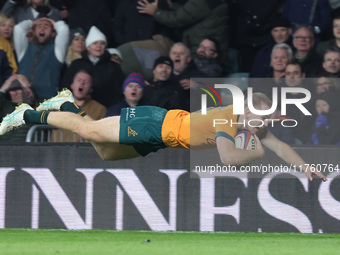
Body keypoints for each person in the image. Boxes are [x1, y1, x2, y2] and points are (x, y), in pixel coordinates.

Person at [0, 90, 327, 182]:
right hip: (154, 123)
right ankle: (25, 113)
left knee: (105, 153)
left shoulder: (252, 126)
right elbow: (228, 158)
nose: (262, 126)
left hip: (160, 139)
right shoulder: (230, 119)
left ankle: (65, 103)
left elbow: (280, 145)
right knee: (88, 129)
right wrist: (256, 152)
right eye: (261, 119)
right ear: (247, 112)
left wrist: (304, 167)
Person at [137, 0, 229, 73]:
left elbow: (177, 19)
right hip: (210, 54)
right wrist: (172, 6)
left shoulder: (203, 2)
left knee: (196, 89)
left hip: (203, 55)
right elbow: (190, 12)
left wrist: (155, 12)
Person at [60, 26, 125, 108]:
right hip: (77, 108)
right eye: (95, 43)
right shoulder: (76, 64)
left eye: (102, 43)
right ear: (88, 47)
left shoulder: (113, 66)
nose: (98, 46)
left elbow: (119, 90)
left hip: (105, 110)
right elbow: (65, 86)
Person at [14, 17, 69, 101]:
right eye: (39, 26)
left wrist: (54, 23)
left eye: (46, 26)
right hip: (23, 98)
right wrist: (32, 22)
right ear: (34, 31)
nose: (42, 28)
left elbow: (64, 29)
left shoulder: (57, 51)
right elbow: (18, 29)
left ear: (52, 33)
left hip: (47, 99)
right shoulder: (24, 49)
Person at [43, 69, 106, 142]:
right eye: (79, 80)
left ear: (90, 89)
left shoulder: (99, 109)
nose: (82, 83)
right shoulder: (58, 104)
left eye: (86, 82)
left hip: (84, 151)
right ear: (72, 85)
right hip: (57, 150)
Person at [0, 74, 35, 141]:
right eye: (11, 90)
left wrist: (26, 87)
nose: (15, 93)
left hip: (27, 148)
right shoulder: (5, 106)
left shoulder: (36, 106)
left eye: (18, 88)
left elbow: (30, 100)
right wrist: (2, 90)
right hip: (4, 148)